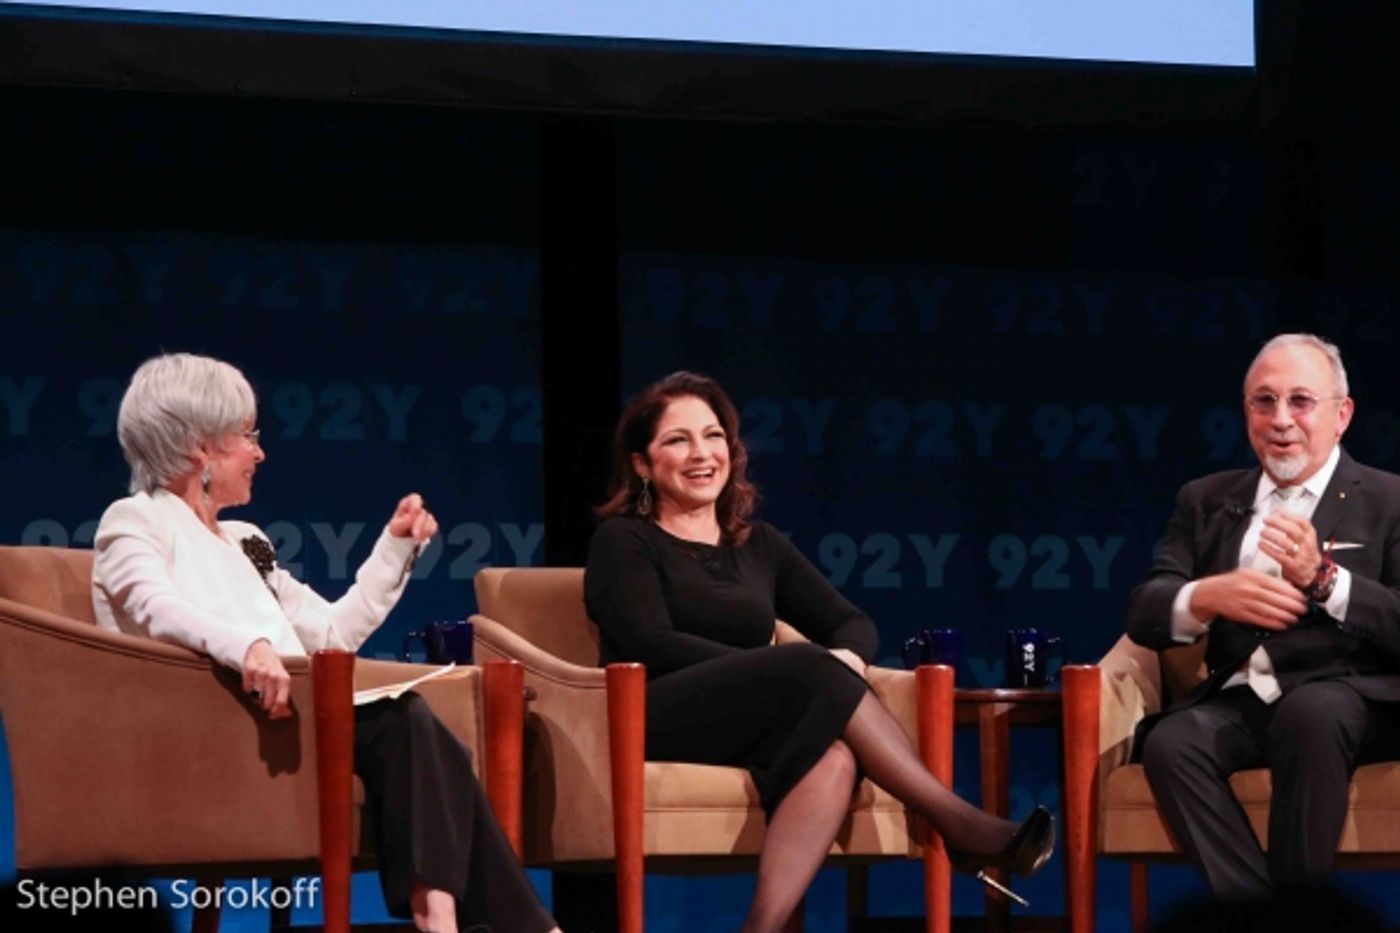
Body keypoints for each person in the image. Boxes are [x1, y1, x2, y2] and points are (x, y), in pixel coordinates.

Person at [91, 353, 558, 933]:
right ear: (198, 448)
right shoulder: (135, 520)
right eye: (247, 436)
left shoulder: (243, 540)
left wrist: (394, 547)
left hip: (287, 717)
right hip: (207, 729)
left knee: (431, 743)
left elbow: (332, 636)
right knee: (408, 721)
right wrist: (249, 647)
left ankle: (465, 922)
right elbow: (153, 606)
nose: (260, 453)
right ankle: (464, 923)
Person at [583, 371, 1054, 933]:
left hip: (751, 717)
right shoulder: (623, 541)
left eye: (713, 436)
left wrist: (846, 661)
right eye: (677, 440)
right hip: (651, 713)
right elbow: (648, 641)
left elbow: (851, 624)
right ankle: (959, 825)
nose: (701, 453)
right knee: (808, 663)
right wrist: (778, 670)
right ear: (642, 463)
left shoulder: (759, 545)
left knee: (836, 758)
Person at [1125, 333, 1400, 899]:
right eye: (1264, 402)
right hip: (1246, 699)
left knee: (1312, 711)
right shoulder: (1205, 499)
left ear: (1342, 415)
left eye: (1301, 401)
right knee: (1172, 743)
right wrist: (1207, 597)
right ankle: (1260, 914)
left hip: (1358, 699)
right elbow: (1146, 610)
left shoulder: (1388, 500)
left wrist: (1325, 581)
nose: (1281, 420)